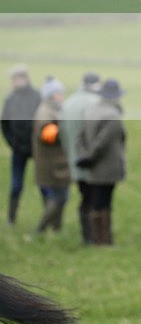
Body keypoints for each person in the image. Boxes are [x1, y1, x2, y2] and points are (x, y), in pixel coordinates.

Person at [76, 79, 126, 245]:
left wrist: (85, 156)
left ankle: (96, 238)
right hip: (107, 167)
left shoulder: (91, 111)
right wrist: (91, 156)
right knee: (103, 203)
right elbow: (102, 142)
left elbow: (81, 136)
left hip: (92, 167)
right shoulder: (112, 115)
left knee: (96, 201)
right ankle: (103, 240)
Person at [59, 72, 101, 243]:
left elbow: (62, 132)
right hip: (91, 160)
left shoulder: (68, 103)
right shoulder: (94, 103)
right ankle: (93, 235)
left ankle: (87, 234)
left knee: (84, 197)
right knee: (93, 199)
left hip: (73, 158)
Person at [2, 64, 43, 225]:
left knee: (43, 183)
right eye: (13, 79)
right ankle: (11, 219)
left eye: (16, 79)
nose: (14, 82)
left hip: (37, 148)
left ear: (24, 78)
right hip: (18, 149)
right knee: (16, 185)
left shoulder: (37, 96)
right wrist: (12, 143)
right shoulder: (10, 99)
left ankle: (48, 218)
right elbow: (4, 125)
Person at [32, 78, 70, 233]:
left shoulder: (51, 109)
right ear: (52, 95)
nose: (62, 96)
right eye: (59, 93)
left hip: (54, 162)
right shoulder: (46, 112)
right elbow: (48, 136)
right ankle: (41, 229)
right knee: (60, 198)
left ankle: (56, 229)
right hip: (52, 163)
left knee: (59, 197)